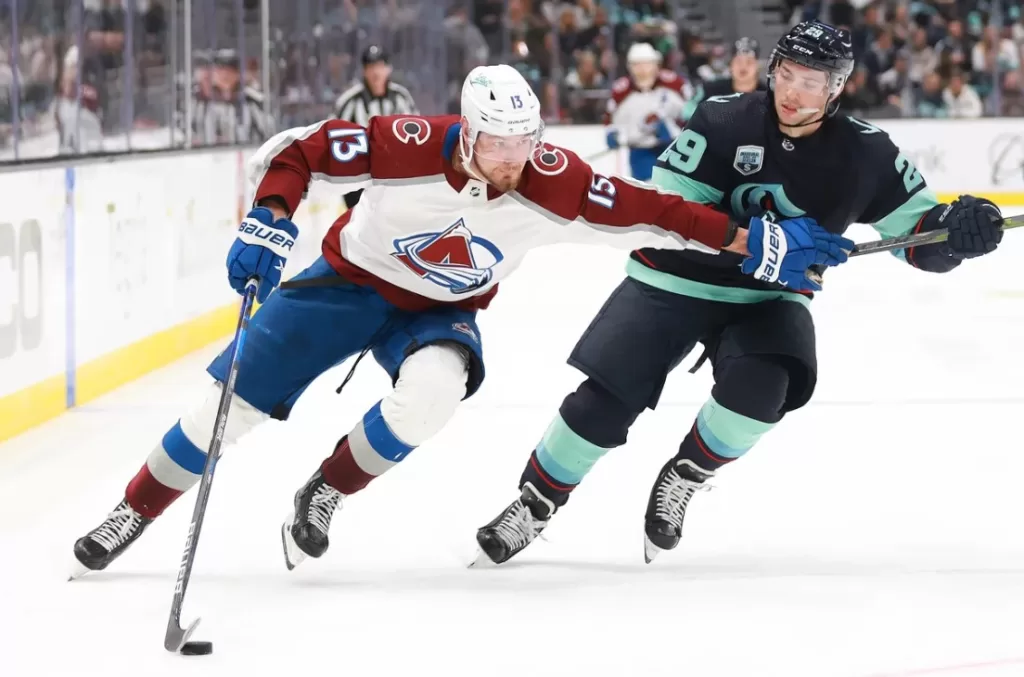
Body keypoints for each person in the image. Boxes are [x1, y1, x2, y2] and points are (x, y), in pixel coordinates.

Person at [69, 64, 852, 576]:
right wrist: (269, 219)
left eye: (525, 144)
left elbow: (655, 209)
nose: (513, 161)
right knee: (221, 409)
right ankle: (131, 510)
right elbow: (300, 152)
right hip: (343, 285)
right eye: (497, 145)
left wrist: (753, 240)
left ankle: (325, 489)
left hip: (441, 308)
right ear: (467, 133)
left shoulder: (553, 182)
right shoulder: (406, 142)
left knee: (432, 397)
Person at [473, 20, 1005, 566]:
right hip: (675, 279)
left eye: (811, 82)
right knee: (603, 403)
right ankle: (535, 503)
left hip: (768, 299)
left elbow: (921, 241)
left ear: (837, 88)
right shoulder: (724, 118)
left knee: (764, 390)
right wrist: (758, 241)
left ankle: (687, 472)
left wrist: (959, 235)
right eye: (786, 75)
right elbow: (663, 210)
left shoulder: (867, 154)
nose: (792, 93)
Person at [334, 45, 420, 210]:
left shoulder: (401, 98)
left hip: (395, 178)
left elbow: (418, 134)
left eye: (380, 66)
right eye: (371, 67)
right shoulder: (349, 102)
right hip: (358, 180)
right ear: (364, 70)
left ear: (388, 69)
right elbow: (333, 138)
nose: (376, 72)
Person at [604, 42, 693, 181]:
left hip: (674, 150)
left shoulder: (675, 84)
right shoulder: (620, 91)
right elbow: (610, 119)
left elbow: (692, 114)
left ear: (656, 65)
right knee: (647, 190)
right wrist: (611, 133)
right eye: (637, 65)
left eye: (647, 64)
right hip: (640, 151)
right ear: (629, 67)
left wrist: (673, 130)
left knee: (675, 190)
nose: (643, 70)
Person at [682, 37, 767, 122]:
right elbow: (686, 113)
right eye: (738, 61)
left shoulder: (767, 96)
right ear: (730, 65)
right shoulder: (710, 90)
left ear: (757, 66)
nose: (743, 67)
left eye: (749, 62)